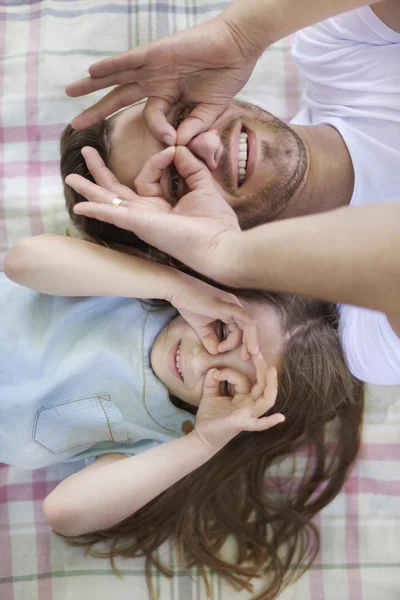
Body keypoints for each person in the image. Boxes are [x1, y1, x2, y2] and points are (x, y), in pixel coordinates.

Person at [3, 230, 362, 600]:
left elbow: (64, 512)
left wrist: (203, 442)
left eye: (227, 384)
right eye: (223, 331)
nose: (199, 361)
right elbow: (22, 261)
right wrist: (174, 286)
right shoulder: (139, 292)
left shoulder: (170, 435)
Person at [63, 0, 400, 385]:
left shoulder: (338, 50)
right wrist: (222, 252)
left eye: (183, 118)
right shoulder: (366, 335)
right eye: (177, 181)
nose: (206, 144)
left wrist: (241, 33)